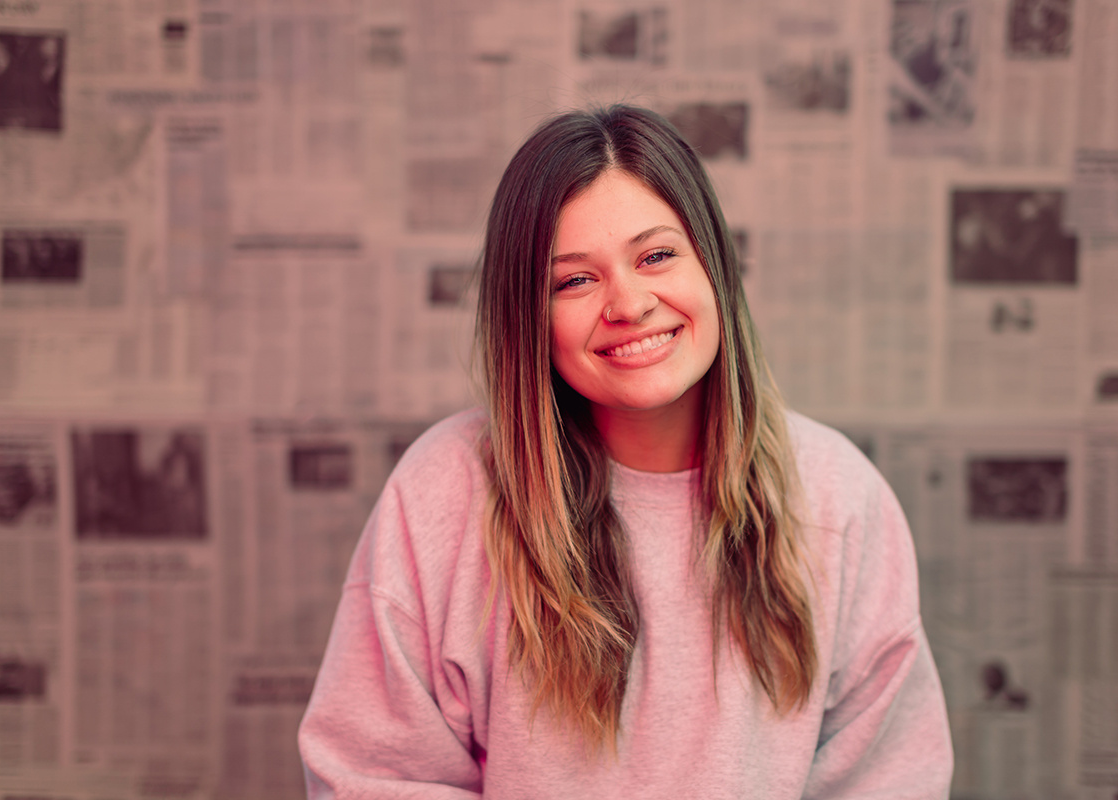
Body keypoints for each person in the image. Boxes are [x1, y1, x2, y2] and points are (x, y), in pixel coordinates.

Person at [298, 104, 953, 797]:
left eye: (656, 255)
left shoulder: (838, 497)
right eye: (575, 280)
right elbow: (370, 778)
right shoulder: (443, 494)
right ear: (530, 317)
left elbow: (890, 778)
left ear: (715, 265)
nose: (629, 303)